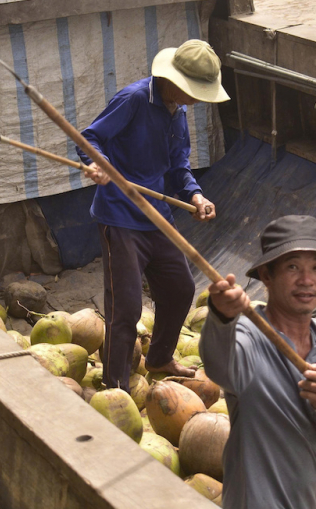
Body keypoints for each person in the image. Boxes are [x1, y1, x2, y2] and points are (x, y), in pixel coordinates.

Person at [77, 39, 229, 391]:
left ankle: (159, 358)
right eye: (194, 91)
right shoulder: (133, 99)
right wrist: (100, 165)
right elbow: (89, 138)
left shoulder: (179, 112)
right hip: (119, 218)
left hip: (157, 217)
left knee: (180, 289)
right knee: (126, 308)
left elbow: (178, 166)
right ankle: (114, 386)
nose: (196, 99)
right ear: (172, 80)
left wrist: (195, 194)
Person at [200, 215, 316, 508]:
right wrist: (221, 316)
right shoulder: (247, 332)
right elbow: (220, 367)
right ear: (266, 275)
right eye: (292, 267)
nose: (306, 280)